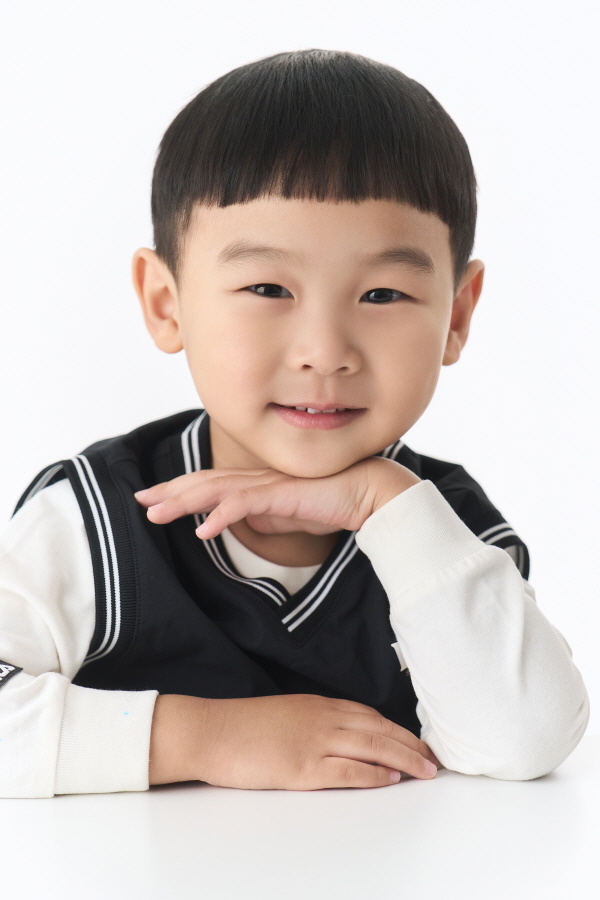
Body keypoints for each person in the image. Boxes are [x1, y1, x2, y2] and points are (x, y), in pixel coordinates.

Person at [0, 50, 589, 798]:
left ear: (456, 315)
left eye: (382, 295)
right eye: (268, 288)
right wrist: (205, 737)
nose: (324, 351)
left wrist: (379, 501)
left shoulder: (441, 530)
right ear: (166, 302)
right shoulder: (98, 518)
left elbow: (526, 738)